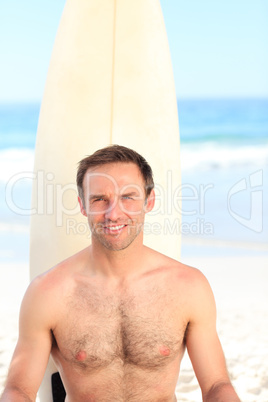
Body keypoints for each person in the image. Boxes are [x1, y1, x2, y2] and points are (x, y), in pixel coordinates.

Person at [1, 145, 240, 402]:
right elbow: (19, 390)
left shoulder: (188, 287)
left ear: (149, 201)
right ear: (83, 206)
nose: (113, 214)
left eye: (128, 196)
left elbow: (216, 385)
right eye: (99, 199)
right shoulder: (48, 292)